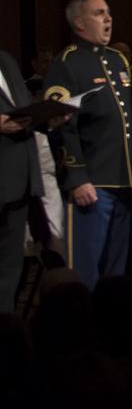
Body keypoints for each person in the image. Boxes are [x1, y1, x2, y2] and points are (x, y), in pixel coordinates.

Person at [42, 0, 132, 287]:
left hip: (124, 182)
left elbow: (131, 119)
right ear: (79, 23)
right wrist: (76, 176)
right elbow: (60, 126)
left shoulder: (117, 60)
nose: (108, 18)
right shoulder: (67, 63)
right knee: (86, 271)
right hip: (92, 184)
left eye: (108, 12)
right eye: (99, 13)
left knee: (116, 272)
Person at [0, 49, 42, 313]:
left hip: (17, 180)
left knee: (9, 268)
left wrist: (48, 117)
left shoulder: (6, 60)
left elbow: (23, 106)